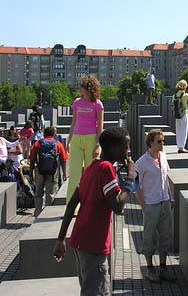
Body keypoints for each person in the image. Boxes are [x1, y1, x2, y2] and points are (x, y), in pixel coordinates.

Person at [53, 127, 134, 296]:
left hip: (80, 240)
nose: (128, 151)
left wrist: (61, 239)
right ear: (113, 149)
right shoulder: (106, 169)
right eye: (126, 147)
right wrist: (130, 179)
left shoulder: (90, 168)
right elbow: (118, 206)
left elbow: (71, 205)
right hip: (93, 245)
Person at [134, 129, 177, 282]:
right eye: (159, 141)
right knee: (149, 237)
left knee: (165, 236)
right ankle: (150, 269)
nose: (162, 144)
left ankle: (164, 268)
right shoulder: (141, 162)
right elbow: (135, 186)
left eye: (163, 141)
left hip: (164, 202)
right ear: (150, 143)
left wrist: (170, 198)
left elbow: (166, 179)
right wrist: (144, 205)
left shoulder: (164, 157)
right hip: (151, 204)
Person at [66, 75, 104, 213]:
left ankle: (90, 205)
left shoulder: (97, 104)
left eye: (81, 87)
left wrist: (98, 144)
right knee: (74, 174)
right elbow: (73, 122)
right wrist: (68, 141)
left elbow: (100, 126)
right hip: (76, 139)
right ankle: (71, 207)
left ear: (88, 89)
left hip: (91, 139)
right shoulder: (77, 102)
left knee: (90, 175)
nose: (79, 89)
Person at [29, 126, 68, 217]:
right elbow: (64, 160)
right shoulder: (58, 144)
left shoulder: (38, 143)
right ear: (53, 134)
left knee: (38, 193)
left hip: (39, 171)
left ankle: (38, 213)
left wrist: (31, 173)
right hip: (52, 172)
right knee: (50, 194)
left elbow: (32, 159)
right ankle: (46, 214)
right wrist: (64, 174)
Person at [173, 79, 188, 153]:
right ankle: (182, 148)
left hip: (177, 115)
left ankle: (179, 146)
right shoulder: (185, 95)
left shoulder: (175, 95)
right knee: (184, 131)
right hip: (184, 114)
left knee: (178, 130)